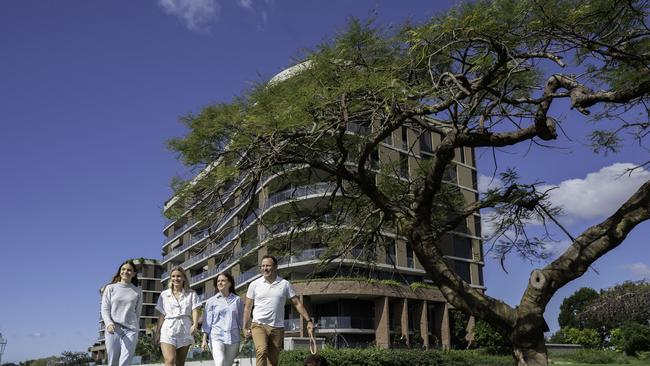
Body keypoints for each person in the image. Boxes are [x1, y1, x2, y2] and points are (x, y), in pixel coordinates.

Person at [243, 255, 314, 366]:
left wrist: (309, 321)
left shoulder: (285, 284)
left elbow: (297, 303)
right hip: (258, 325)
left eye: (268, 265)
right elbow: (247, 307)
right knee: (261, 351)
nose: (265, 268)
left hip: (277, 327)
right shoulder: (254, 284)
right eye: (263, 266)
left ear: (275, 267)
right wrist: (245, 327)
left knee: (273, 360)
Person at [155, 266, 200, 366]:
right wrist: (157, 332)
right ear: (171, 278)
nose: (176, 278)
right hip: (168, 329)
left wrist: (195, 325)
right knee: (169, 360)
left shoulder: (191, 294)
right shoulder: (164, 294)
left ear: (184, 278)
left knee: (180, 363)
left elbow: (195, 310)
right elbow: (162, 315)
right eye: (173, 276)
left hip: (185, 328)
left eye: (179, 276)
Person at [101, 260, 143, 366]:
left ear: (134, 274)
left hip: (131, 330)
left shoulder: (137, 291)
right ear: (120, 272)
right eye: (123, 269)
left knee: (125, 362)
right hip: (113, 329)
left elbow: (137, 313)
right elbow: (105, 309)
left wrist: (135, 327)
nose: (126, 272)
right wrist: (109, 323)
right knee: (113, 362)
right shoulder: (110, 288)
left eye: (129, 270)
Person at [201, 273, 243, 366]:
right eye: (218, 281)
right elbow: (207, 322)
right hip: (216, 336)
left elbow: (241, 319)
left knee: (227, 364)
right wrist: (204, 340)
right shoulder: (211, 301)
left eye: (223, 281)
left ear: (229, 283)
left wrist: (246, 331)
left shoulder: (237, 300)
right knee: (219, 362)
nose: (220, 283)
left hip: (233, 337)